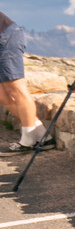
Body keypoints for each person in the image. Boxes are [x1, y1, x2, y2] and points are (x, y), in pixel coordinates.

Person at [0, 9, 43, 148]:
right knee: (2, 95)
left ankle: (28, 140)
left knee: (16, 90)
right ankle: (41, 134)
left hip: (5, 36)